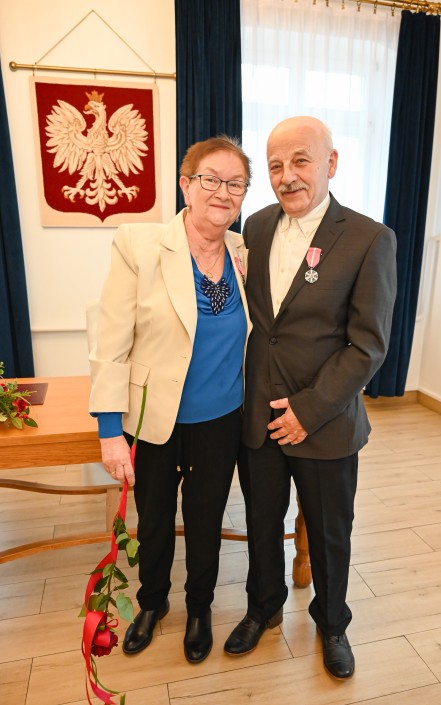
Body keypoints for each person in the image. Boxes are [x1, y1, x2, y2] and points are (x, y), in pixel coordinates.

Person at [223, 116, 397, 679]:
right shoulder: (255, 226)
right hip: (259, 413)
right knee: (261, 521)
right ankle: (263, 607)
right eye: (275, 165)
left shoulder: (370, 238)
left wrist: (309, 409)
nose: (287, 176)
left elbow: (367, 345)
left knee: (328, 533)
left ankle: (332, 622)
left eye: (301, 160)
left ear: (331, 163)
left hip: (325, 420)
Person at [89, 136, 252, 664]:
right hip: (151, 417)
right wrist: (109, 430)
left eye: (236, 183)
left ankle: (200, 607)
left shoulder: (242, 251)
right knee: (155, 519)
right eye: (211, 179)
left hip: (221, 419)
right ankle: (152, 603)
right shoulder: (139, 244)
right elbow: (111, 343)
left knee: (205, 521)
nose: (223, 192)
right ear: (186, 184)